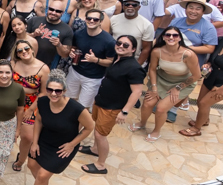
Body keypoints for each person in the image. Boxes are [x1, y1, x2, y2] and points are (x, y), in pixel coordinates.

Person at [17, 70, 95, 185]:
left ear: (64, 91)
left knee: (42, 175)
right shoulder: (42, 101)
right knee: (32, 165)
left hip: (63, 147)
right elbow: (39, 120)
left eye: (58, 91)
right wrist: (35, 142)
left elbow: (89, 127)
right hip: (44, 140)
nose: (53, 93)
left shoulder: (76, 109)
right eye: (50, 90)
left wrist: (72, 144)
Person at [84, 35, 146, 174]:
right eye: (119, 43)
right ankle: (95, 149)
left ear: (133, 49)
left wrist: (124, 111)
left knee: (100, 135)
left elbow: (137, 92)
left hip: (112, 107)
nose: (121, 46)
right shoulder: (117, 59)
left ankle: (101, 165)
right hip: (101, 101)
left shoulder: (134, 68)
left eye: (126, 45)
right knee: (98, 127)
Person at [135, 28, 201, 141]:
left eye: (175, 35)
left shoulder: (188, 54)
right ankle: (142, 123)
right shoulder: (157, 51)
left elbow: (196, 75)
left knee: (161, 109)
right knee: (147, 103)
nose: (171, 37)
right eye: (168, 35)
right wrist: (154, 88)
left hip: (182, 83)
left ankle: (156, 131)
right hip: (161, 79)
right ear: (163, 37)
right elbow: (152, 69)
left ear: (179, 38)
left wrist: (178, 88)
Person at [9, 38, 49, 171]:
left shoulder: (43, 68)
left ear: (32, 50)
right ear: (17, 54)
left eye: (26, 49)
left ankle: (21, 159)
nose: (24, 52)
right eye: (20, 50)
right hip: (13, 100)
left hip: (31, 104)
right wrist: (26, 90)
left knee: (27, 137)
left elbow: (44, 92)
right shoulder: (13, 64)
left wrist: (31, 110)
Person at [66, 10, 116, 109]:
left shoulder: (109, 41)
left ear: (101, 22)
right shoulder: (78, 34)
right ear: (85, 19)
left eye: (95, 19)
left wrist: (96, 60)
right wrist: (72, 52)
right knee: (68, 100)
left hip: (93, 78)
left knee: (83, 107)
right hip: (75, 72)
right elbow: (75, 48)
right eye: (89, 18)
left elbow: (110, 62)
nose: (92, 21)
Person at [170, 0, 219, 66]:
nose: (193, 11)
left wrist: (185, 48)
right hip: (170, 58)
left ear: (203, 12)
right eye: (191, 7)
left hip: (191, 64)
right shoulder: (176, 21)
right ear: (185, 9)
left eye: (198, 9)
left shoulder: (209, 27)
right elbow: (164, 36)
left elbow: (210, 49)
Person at [109, 0, 154, 64]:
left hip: (133, 61)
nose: (130, 6)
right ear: (123, 6)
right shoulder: (113, 19)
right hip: (113, 59)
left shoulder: (147, 25)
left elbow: (146, 48)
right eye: (127, 4)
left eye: (134, 5)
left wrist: (137, 66)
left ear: (139, 7)